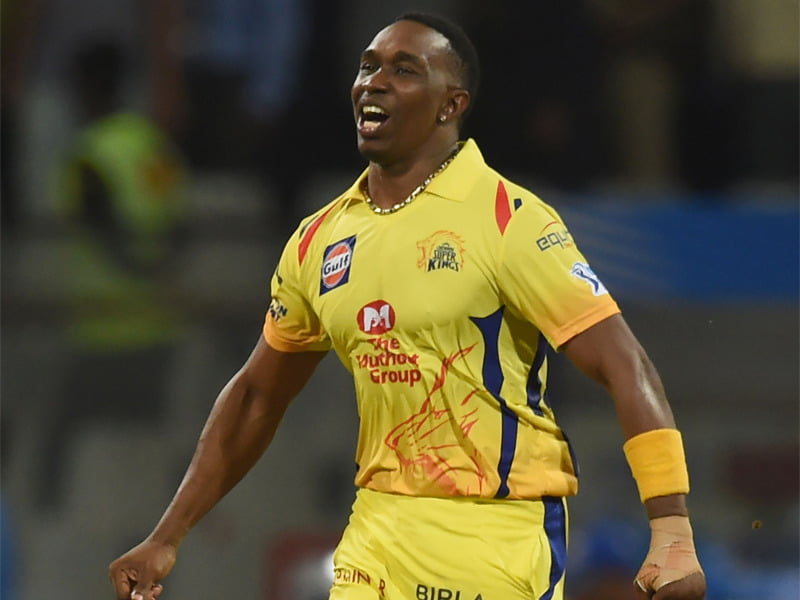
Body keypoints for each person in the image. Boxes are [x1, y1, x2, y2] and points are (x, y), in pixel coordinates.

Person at [109, 12, 705, 600]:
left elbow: (624, 364)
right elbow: (257, 397)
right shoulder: (319, 240)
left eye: (404, 70)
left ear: (451, 105)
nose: (375, 82)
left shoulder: (509, 219)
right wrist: (167, 536)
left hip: (493, 533)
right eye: (367, 67)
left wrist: (671, 529)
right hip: (376, 533)